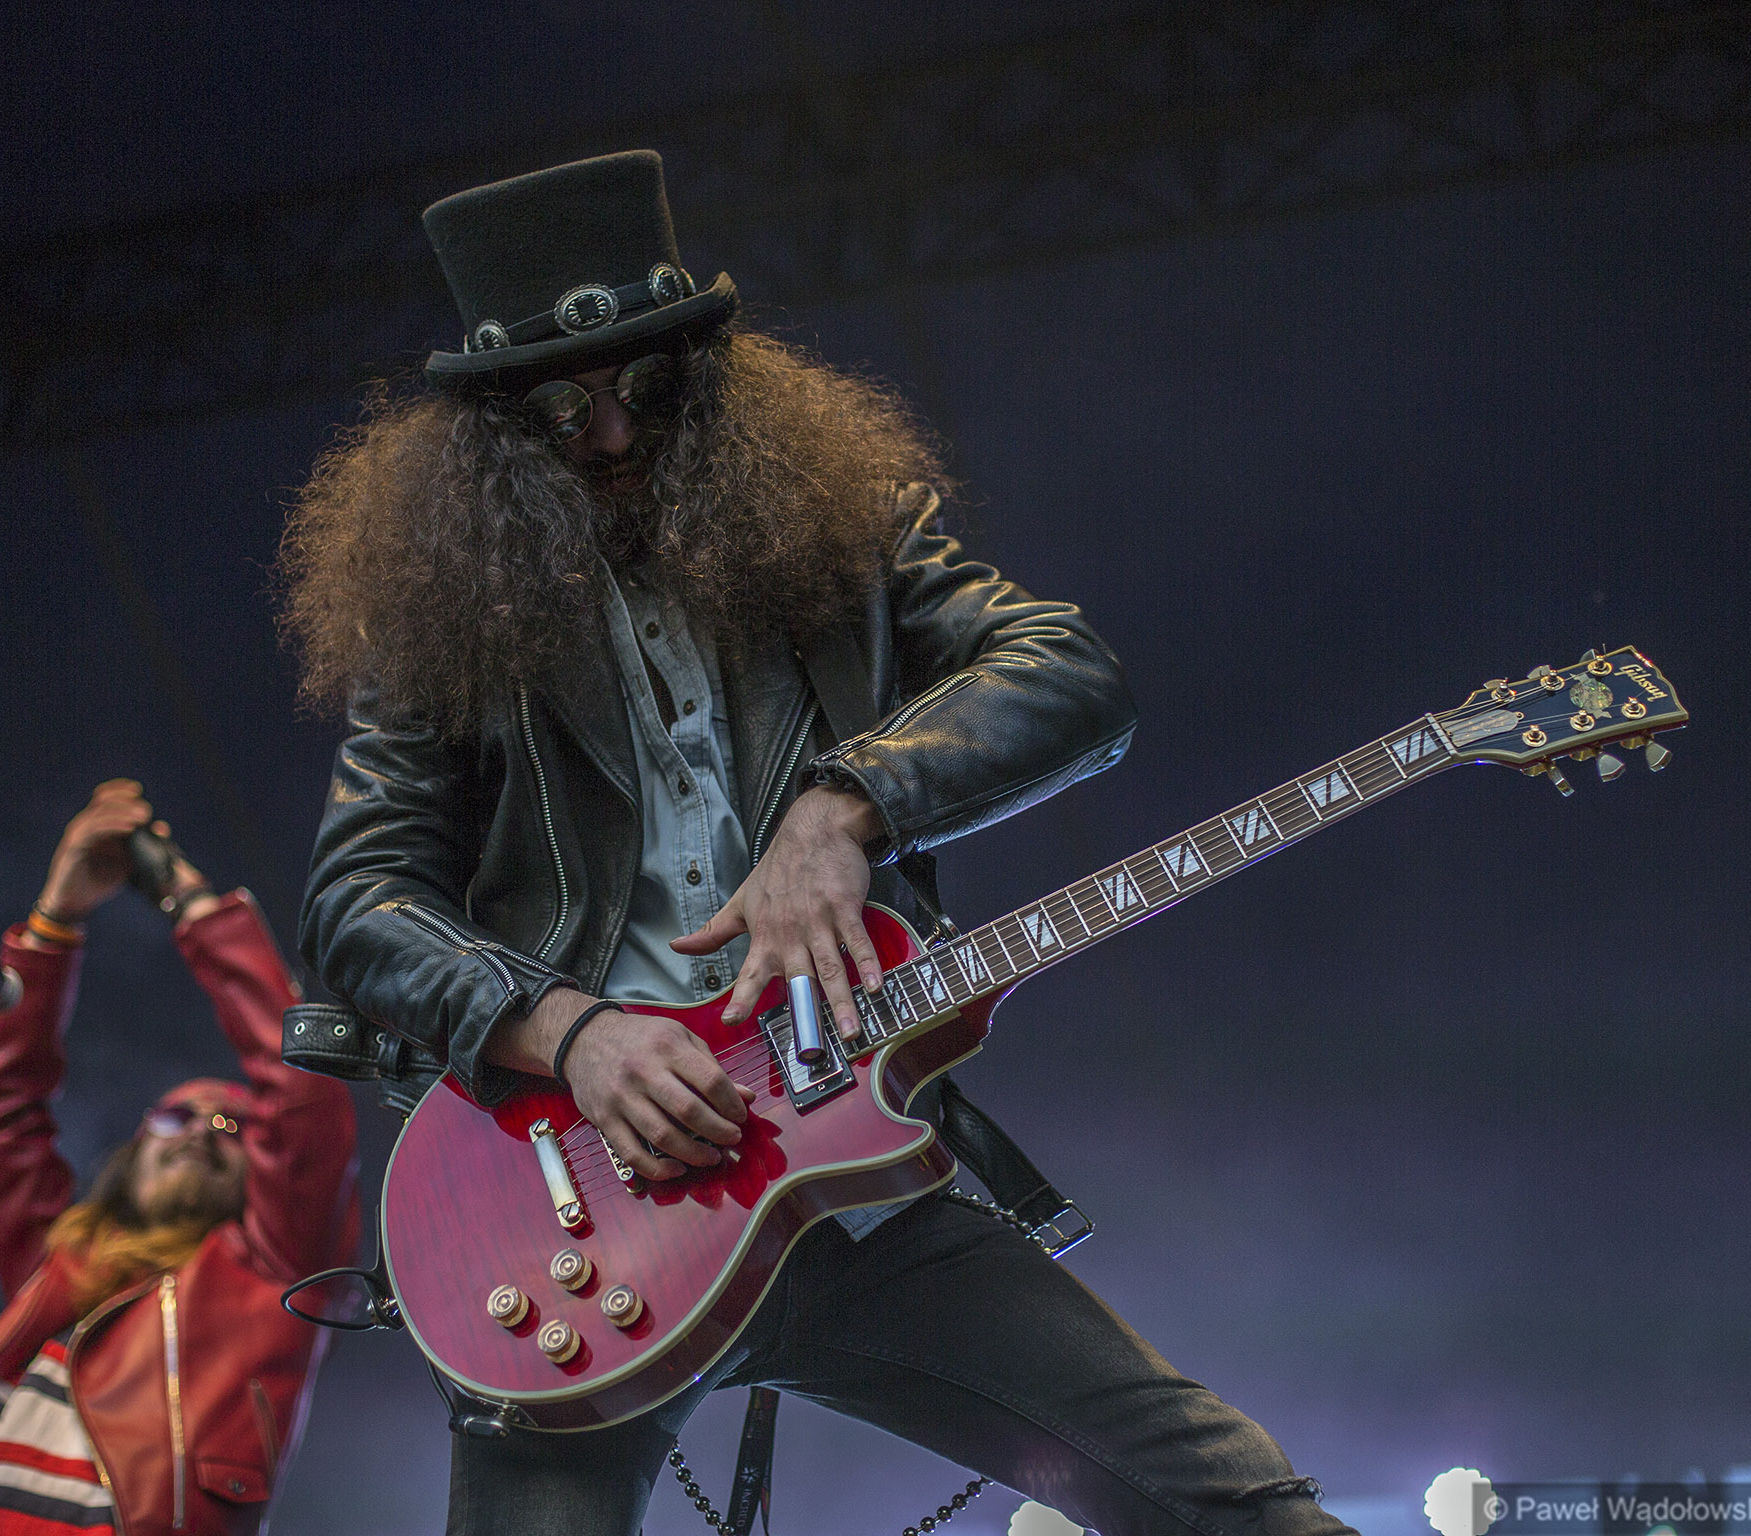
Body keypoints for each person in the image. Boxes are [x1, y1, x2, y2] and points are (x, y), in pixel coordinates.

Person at [282, 150, 1348, 1536]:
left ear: (704, 379)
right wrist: (572, 1032)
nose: (612, 434)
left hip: (852, 1189)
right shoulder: (440, 630)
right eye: (561, 410)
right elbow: (357, 895)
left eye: (646, 388)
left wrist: (845, 802)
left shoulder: (849, 534)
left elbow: (1070, 673)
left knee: (1242, 1508)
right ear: (498, 436)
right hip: (572, 1223)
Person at [0, 780, 358, 1536]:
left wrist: (190, 901)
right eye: (176, 1116)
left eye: (232, 1127)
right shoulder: (63, 1268)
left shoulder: (276, 1274)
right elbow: (3, 1116)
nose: (202, 1132)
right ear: (133, 1151)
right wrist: (54, 920)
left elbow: (303, 1093)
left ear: (267, 1172)